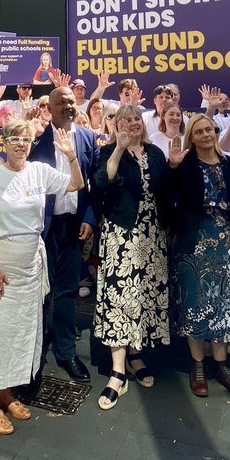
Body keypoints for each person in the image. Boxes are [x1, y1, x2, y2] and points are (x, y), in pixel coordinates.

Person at [0, 119, 84, 434]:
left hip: (29, 268)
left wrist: (71, 156)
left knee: (18, 332)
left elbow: (75, 185)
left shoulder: (39, 172)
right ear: (4, 142)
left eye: (26, 139)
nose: (21, 144)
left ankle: (6, 392)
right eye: (15, 138)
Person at [168, 114, 230, 398]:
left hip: (228, 241)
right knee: (194, 301)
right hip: (194, 242)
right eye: (200, 131)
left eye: (211, 130)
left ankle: (222, 365)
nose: (207, 134)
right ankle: (198, 364)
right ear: (192, 136)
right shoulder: (185, 165)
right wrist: (173, 166)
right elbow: (167, 199)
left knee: (226, 302)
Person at [92, 104, 170, 410]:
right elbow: (100, 182)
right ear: (116, 125)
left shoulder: (155, 154)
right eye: (125, 119)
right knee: (121, 297)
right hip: (121, 233)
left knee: (145, 297)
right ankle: (117, 372)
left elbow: (166, 190)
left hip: (153, 236)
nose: (132, 123)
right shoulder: (107, 151)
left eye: (136, 118)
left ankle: (137, 355)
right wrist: (118, 149)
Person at [28, 87, 98, 384]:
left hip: (74, 226)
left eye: (71, 102)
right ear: (50, 108)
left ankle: (66, 352)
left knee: (68, 291)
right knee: (41, 291)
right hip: (43, 228)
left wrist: (90, 219)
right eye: (62, 102)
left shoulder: (87, 137)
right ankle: (35, 353)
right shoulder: (35, 139)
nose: (68, 106)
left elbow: (96, 183)